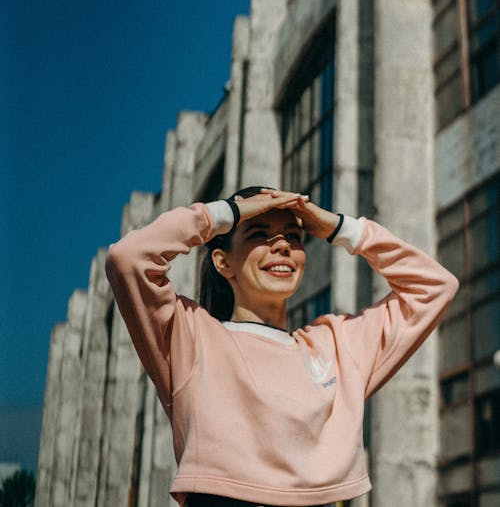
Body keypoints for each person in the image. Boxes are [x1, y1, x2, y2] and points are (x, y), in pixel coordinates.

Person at [106, 186, 459, 507]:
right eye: (259, 235)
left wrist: (338, 227)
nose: (282, 245)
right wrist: (227, 212)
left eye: (293, 236)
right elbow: (130, 258)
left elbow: (434, 286)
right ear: (222, 261)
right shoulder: (191, 335)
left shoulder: (335, 345)